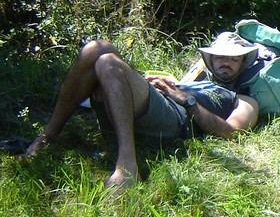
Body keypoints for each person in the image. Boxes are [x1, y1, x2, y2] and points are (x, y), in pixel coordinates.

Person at [22, 32, 260, 192]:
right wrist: (159, 85)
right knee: (99, 49)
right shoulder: (191, 81)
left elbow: (231, 133)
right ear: (210, 60)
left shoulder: (244, 98)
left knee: (107, 61)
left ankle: (126, 167)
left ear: (242, 64)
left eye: (233, 58)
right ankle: (46, 137)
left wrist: (186, 101)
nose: (225, 61)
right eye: (220, 56)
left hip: (174, 120)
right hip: (152, 105)